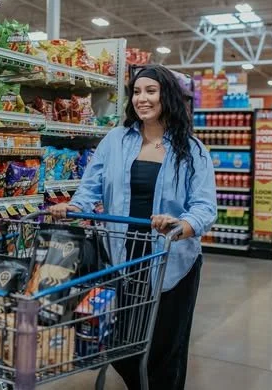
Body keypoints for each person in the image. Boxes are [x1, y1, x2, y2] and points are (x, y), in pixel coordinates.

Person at [50, 64, 217, 390]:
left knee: (165, 350)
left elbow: (204, 206)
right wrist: (74, 207)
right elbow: (91, 185)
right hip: (123, 256)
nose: (142, 98)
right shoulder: (116, 139)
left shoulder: (192, 149)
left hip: (170, 260)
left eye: (150, 91)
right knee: (120, 345)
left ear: (166, 95)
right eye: (137, 92)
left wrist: (181, 225)